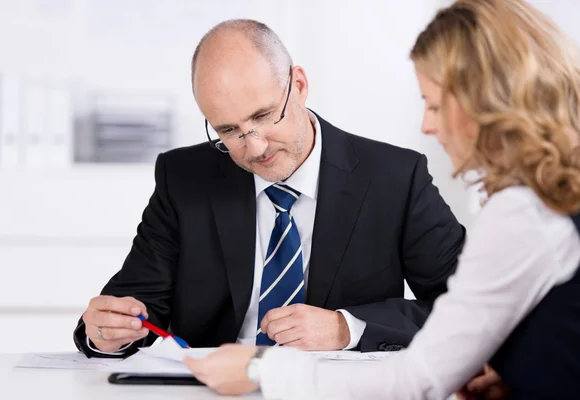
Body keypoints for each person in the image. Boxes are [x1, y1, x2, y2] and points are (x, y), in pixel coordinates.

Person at [183, 0, 580, 398]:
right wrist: (529, 372)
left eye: (435, 105)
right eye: (230, 130)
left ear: (491, 104)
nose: (427, 124)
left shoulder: (523, 211)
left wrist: (263, 370)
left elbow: (415, 380)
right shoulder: (556, 201)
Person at [73, 19, 465, 358]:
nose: (254, 147)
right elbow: (134, 306)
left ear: (298, 84)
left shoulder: (395, 177)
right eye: (228, 130)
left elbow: (468, 308)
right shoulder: (183, 177)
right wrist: (108, 333)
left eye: (263, 116)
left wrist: (349, 329)